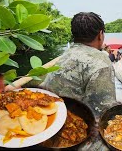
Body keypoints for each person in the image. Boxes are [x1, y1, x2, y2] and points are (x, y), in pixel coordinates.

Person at [40, 12, 117, 150]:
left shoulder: (64, 55)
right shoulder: (101, 62)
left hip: (48, 124)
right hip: (73, 132)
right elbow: (104, 112)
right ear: (100, 34)